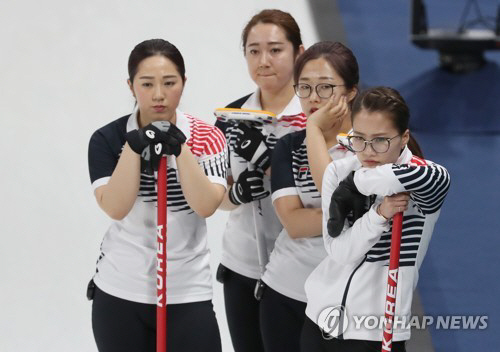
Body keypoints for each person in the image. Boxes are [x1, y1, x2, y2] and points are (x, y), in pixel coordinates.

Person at [87, 39, 227, 352]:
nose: (159, 95)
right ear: (131, 85)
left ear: (184, 82)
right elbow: (115, 206)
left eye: (169, 83)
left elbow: (206, 205)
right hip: (120, 290)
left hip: (187, 291)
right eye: (147, 84)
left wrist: (180, 148)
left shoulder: (208, 136)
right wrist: (135, 147)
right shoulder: (107, 139)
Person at [301, 86, 451, 352]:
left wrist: (356, 183)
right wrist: (378, 215)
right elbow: (340, 252)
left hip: (375, 333)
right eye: (359, 138)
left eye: (381, 140)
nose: (368, 151)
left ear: (404, 137)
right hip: (319, 321)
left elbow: (441, 177)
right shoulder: (338, 171)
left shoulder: (421, 181)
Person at [214, 9, 306, 352]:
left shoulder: (316, 117)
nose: (263, 60)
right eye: (253, 51)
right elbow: (216, 194)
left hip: (304, 270)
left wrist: (271, 165)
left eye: (275, 49)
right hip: (243, 265)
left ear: (299, 52)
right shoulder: (230, 117)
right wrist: (235, 194)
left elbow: (328, 189)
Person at [259, 41, 359, 352]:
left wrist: (351, 216)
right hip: (286, 292)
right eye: (304, 87)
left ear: (351, 91)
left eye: (326, 87)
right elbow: (293, 223)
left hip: (348, 300)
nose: (314, 97)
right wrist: (347, 217)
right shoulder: (288, 146)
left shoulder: (369, 147)